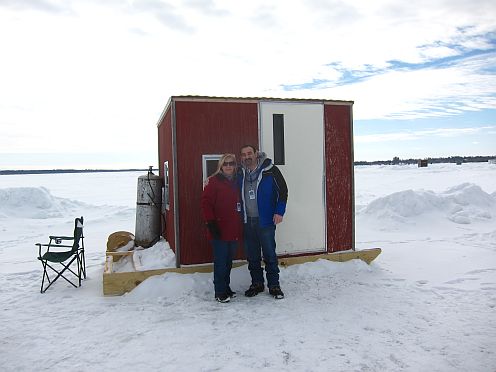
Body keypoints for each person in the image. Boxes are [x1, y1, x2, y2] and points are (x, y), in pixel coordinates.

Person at [238, 145, 288, 299]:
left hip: (265, 221)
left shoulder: (270, 170)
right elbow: (222, 175)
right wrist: (210, 179)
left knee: (269, 255)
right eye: (244, 154)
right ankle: (257, 284)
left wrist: (279, 212)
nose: (247, 156)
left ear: (256, 154)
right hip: (248, 221)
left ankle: (274, 285)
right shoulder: (240, 173)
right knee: (252, 256)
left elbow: (283, 191)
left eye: (249, 153)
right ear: (241, 157)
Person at [201, 153, 242, 303]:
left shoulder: (238, 180)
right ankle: (219, 291)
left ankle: (226, 287)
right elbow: (206, 204)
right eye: (226, 164)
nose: (229, 166)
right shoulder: (213, 182)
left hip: (233, 229)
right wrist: (211, 224)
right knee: (220, 262)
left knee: (228, 261)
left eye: (231, 163)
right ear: (221, 166)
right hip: (219, 229)